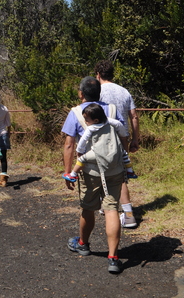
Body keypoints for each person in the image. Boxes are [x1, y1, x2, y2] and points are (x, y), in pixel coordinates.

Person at [61, 76, 127, 274]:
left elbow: (69, 144)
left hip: (89, 170)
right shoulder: (112, 110)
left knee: (88, 207)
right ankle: (113, 257)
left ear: (81, 94)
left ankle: (83, 243)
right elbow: (123, 135)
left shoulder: (76, 112)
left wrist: (68, 172)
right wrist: (123, 160)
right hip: (114, 169)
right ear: (99, 93)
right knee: (112, 209)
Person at [94, 59, 141, 228]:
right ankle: (123, 211)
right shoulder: (124, 91)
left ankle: (122, 213)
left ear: (98, 74)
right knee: (120, 175)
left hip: (102, 138)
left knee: (100, 171)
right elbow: (134, 116)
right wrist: (135, 138)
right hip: (122, 138)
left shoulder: (97, 91)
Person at [64, 103, 136, 183]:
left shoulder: (91, 128)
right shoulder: (111, 122)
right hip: (113, 150)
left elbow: (83, 140)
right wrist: (124, 135)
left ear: (95, 121)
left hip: (97, 153)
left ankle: (73, 174)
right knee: (125, 155)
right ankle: (129, 170)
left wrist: (79, 151)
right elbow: (120, 126)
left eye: (86, 120)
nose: (85, 121)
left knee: (82, 159)